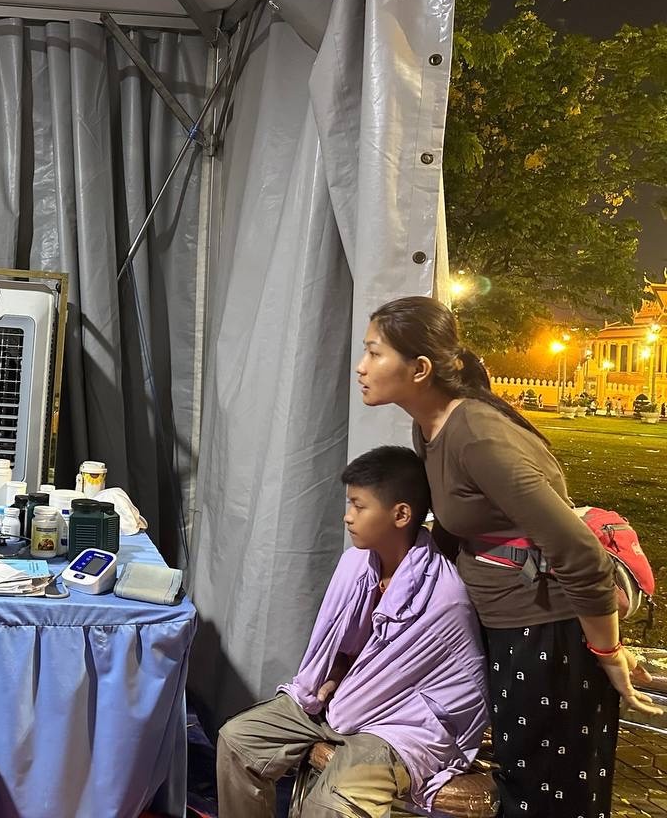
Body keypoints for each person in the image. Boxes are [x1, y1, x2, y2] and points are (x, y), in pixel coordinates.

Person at [357, 296, 661, 818]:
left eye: (374, 352)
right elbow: (453, 530)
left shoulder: (477, 436)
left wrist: (609, 652)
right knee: (521, 784)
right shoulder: (429, 427)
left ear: (420, 368)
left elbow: (579, 553)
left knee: (550, 796)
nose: (362, 367)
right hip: (507, 628)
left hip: (549, 633)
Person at [215, 446, 488, 817]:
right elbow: (347, 646)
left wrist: (350, 697)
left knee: (330, 803)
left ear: (401, 514)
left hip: (403, 723)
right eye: (350, 504)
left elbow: (454, 692)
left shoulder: (444, 597)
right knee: (238, 742)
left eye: (359, 506)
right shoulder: (355, 563)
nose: (348, 516)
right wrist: (335, 675)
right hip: (343, 700)